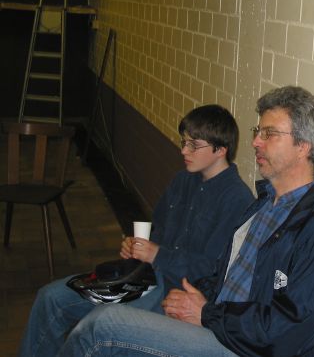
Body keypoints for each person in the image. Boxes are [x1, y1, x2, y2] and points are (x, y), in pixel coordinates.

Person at [56, 85, 314, 357]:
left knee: (102, 328)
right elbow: (225, 273)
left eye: (269, 134)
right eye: (257, 131)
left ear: (303, 146)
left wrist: (207, 314)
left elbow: (289, 330)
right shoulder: (264, 204)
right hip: (219, 325)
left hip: (244, 347)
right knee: (99, 324)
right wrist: (199, 297)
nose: (255, 142)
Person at [19, 104, 254, 357]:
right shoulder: (183, 180)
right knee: (51, 298)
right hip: (143, 276)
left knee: (94, 327)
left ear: (221, 149)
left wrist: (157, 254)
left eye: (193, 145)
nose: (183, 150)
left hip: (174, 291)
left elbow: (212, 270)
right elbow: (158, 231)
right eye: (183, 142)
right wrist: (136, 246)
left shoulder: (237, 200)